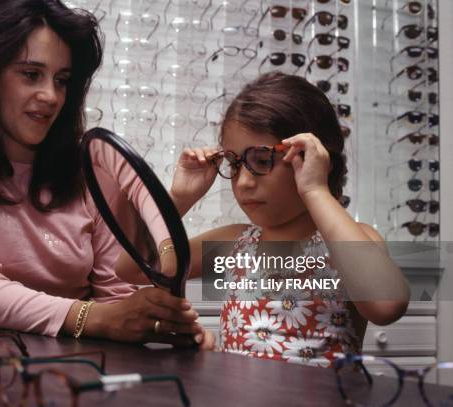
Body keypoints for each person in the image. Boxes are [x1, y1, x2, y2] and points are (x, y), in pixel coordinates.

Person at [0, 0, 208, 346]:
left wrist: (156, 324)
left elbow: (114, 292)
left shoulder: (93, 164)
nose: (51, 96)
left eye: (62, 80)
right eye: (30, 74)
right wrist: (93, 317)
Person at [116, 72, 410, 366]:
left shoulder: (350, 242)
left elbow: (386, 305)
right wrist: (179, 199)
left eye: (261, 160)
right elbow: (130, 267)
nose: (243, 182)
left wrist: (315, 189)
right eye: (234, 162)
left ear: (311, 158)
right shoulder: (234, 243)